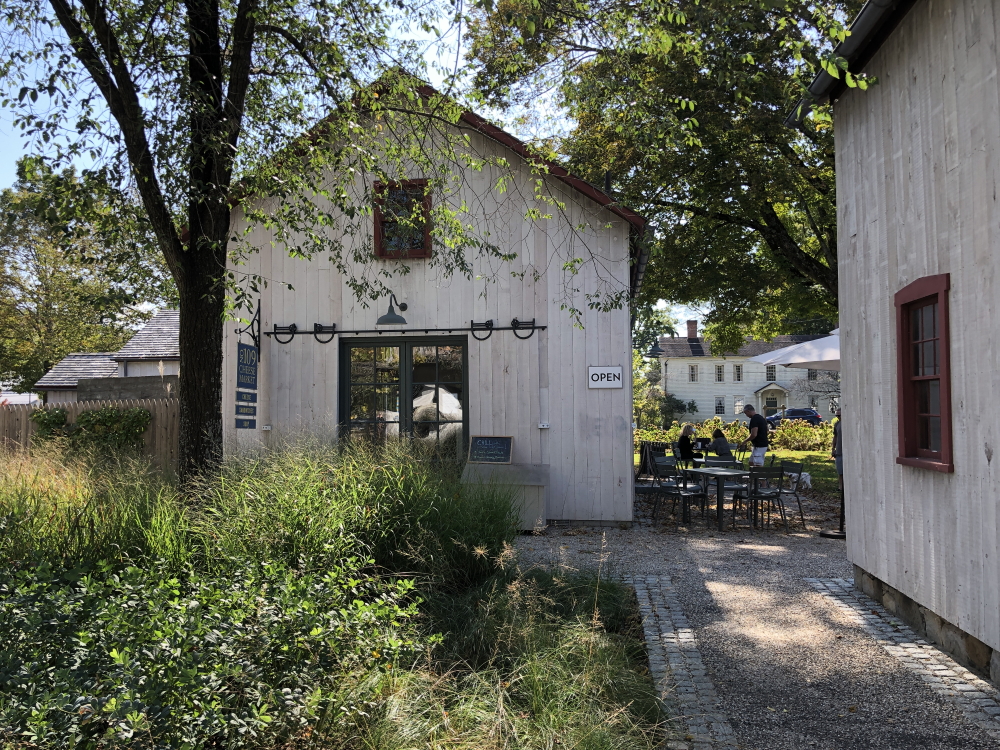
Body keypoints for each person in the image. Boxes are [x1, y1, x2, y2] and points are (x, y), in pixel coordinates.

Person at [831, 407, 843, 489]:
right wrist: (833, 448)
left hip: (847, 451)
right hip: (839, 451)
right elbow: (835, 437)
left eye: (839, 415)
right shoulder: (837, 424)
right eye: (836, 416)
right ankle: (840, 486)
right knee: (840, 470)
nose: (838, 417)